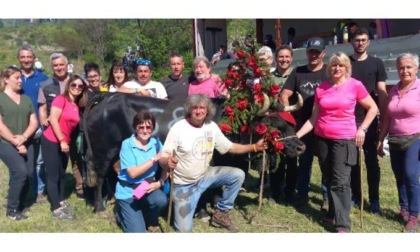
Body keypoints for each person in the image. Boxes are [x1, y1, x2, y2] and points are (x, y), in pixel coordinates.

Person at [159, 94, 268, 232]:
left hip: (205, 176)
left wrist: (254, 147)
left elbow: (230, 147)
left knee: (238, 174)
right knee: (184, 230)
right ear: (189, 109)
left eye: (202, 108)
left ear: (208, 110)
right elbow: (164, 156)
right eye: (195, 108)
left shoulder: (211, 126)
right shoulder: (178, 128)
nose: (198, 111)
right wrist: (167, 162)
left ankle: (221, 213)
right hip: (183, 186)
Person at [296, 52, 378, 233]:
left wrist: (362, 129)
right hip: (322, 139)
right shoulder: (321, 89)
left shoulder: (355, 86)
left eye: (341, 65)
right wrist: (298, 135)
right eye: (334, 65)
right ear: (329, 67)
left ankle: (342, 224)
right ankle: (333, 212)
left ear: (347, 68)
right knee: (329, 178)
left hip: (344, 140)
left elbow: (373, 108)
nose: (337, 68)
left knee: (341, 181)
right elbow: (313, 119)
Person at [281, 37, 329, 208]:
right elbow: (285, 94)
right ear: (307, 53)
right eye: (311, 52)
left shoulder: (329, 72)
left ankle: (326, 197)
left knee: (325, 161)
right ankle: (302, 194)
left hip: (324, 124)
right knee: (304, 161)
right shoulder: (298, 72)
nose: (314, 55)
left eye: (317, 52)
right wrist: (287, 114)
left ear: (323, 53)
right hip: (303, 124)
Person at [377, 52, 420, 232]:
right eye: (401, 67)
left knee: (410, 175)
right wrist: (380, 139)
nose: (405, 71)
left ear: (416, 68)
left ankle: (414, 214)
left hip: (415, 137)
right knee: (399, 176)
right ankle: (403, 208)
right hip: (395, 139)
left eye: (409, 67)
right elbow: (387, 117)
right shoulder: (394, 89)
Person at [349, 27, 388, 214]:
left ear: (369, 42)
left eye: (364, 40)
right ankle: (356, 196)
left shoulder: (377, 63)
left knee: (371, 161)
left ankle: (374, 200)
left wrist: (383, 116)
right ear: (352, 42)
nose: (360, 43)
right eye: (357, 40)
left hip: (370, 119)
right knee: (353, 161)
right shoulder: (345, 63)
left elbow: (381, 91)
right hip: (348, 119)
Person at [41, 75, 89, 220]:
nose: (77, 88)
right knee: (53, 175)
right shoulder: (60, 99)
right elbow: (54, 120)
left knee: (62, 174)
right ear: (69, 85)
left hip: (65, 142)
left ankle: (60, 202)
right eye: (74, 85)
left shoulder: (76, 105)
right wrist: (61, 139)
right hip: (51, 140)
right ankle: (56, 209)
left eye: (80, 86)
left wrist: (65, 141)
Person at [38, 53, 85, 199]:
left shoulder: (77, 83)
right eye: (55, 65)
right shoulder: (45, 85)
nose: (59, 68)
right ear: (52, 68)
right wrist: (44, 119)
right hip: (54, 132)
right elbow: (42, 107)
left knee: (74, 161)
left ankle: (79, 188)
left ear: (67, 65)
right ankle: (44, 191)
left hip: (73, 131)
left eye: (61, 64)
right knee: (48, 164)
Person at [115, 111, 168, 233]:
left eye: (148, 127)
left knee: (160, 200)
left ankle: (147, 218)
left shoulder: (156, 143)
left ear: (153, 128)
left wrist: (160, 182)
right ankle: (121, 214)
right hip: (128, 191)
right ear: (135, 128)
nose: (145, 131)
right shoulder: (127, 144)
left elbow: (166, 167)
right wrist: (154, 159)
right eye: (141, 127)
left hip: (145, 188)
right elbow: (132, 173)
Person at [0, 66, 38, 220]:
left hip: (26, 142)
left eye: (20, 77)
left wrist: (23, 137)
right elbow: (0, 125)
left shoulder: (26, 98)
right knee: (20, 172)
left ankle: (21, 205)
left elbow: (33, 121)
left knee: (29, 175)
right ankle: (12, 210)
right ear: (6, 79)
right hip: (5, 143)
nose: (20, 80)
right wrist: (16, 142)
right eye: (16, 77)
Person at [17, 46, 49, 203]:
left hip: (39, 128)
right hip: (18, 128)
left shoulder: (43, 78)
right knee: (18, 162)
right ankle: (16, 190)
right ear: (18, 59)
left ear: (34, 58)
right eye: (23, 57)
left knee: (39, 161)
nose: (26, 60)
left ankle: (39, 190)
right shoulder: (12, 78)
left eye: (29, 57)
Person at [269, 45, 298, 204]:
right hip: (274, 124)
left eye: (287, 57)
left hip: (291, 123)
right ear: (275, 58)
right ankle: (275, 191)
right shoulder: (269, 77)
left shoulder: (296, 74)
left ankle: (290, 191)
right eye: (281, 56)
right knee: (275, 156)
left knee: (292, 157)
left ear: (291, 58)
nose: (284, 60)